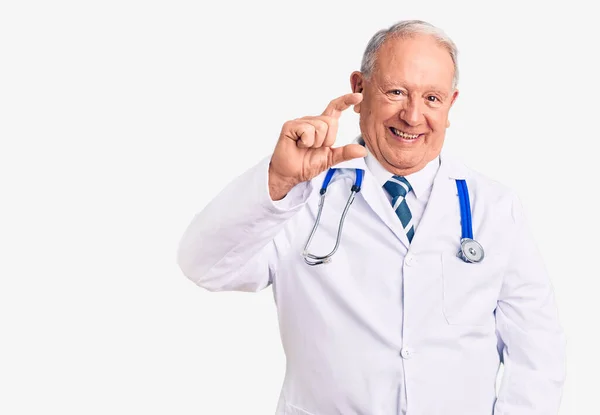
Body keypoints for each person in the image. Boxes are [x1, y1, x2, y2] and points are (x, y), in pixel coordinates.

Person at [177, 20, 566, 415]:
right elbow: (203, 266)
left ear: (451, 105)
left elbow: (536, 350)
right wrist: (277, 181)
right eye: (396, 92)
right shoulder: (303, 193)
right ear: (359, 90)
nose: (413, 116)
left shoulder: (494, 206)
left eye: (432, 98)